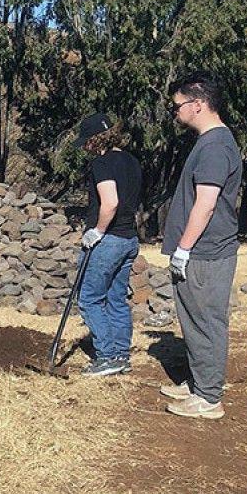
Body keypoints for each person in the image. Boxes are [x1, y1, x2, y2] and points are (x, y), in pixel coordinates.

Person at [160, 72, 242, 419]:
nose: (175, 112)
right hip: (200, 251)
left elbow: (205, 203)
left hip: (205, 253)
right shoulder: (208, 143)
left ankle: (208, 398)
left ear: (198, 104)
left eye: (178, 106)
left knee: (206, 322)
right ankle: (197, 382)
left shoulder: (215, 146)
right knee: (193, 320)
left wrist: (184, 248)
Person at [74, 113, 142, 376]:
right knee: (116, 299)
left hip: (109, 240)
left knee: (90, 300)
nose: (85, 148)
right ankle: (121, 355)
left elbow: (110, 201)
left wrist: (97, 231)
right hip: (129, 239)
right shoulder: (132, 161)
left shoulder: (102, 163)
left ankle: (107, 357)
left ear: (94, 140)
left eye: (86, 142)